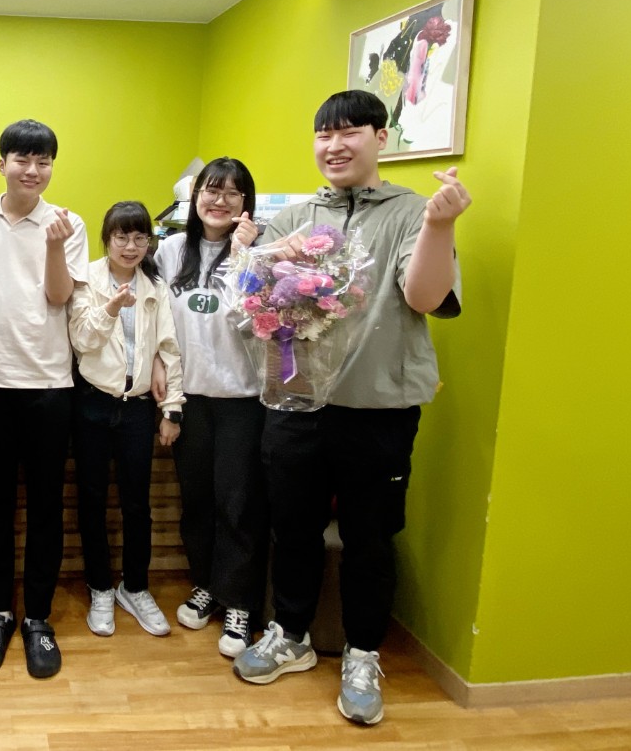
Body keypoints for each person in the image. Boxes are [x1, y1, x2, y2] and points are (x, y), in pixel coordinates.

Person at [232, 90, 470, 727]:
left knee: (370, 537)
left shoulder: (412, 212)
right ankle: (291, 634)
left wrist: (440, 226)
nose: (334, 146)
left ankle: (363, 653)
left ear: (380, 138)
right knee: (294, 527)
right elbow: (253, 306)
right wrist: (260, 259)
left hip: (377, 409)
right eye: (323, 135)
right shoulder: (295, 216)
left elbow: (423, 298)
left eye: (349, 132)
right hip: (294, 405)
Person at [0, 119, 88, 679]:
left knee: (44, 505)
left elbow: (59, 297)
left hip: (49, 385)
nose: (32, 170)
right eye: (22, 159)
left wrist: (54, 246)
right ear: (2, 164)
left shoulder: (68, 223)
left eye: (43, 162)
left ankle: (38, 616)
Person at [152, 158, 268, 659]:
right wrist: (156, 364)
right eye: (210, 190)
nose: (219, 201)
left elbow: (259, 321)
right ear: (194, 196)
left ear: (246, 203)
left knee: (237, 504)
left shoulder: (261, 254)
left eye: (231, 193)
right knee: (197, 500)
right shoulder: (170, 250)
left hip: (242, 398)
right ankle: (206, 584)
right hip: (189, 397)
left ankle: (239, 601)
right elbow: (154, 315)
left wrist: (243, 255)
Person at [68, 201, 183, 638]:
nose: (130, 246)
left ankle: (134, 586)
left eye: (139, 238)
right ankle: (100, 587)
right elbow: (82, 340)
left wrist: (171, 409)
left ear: (149, 242)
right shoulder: (87, 278)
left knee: (137, 503)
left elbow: (168, 347)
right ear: (107, 239)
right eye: (122, 237)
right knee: (92, 500)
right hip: (92, 404)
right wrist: (113, 306)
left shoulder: (154, 285)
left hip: (137, 407)